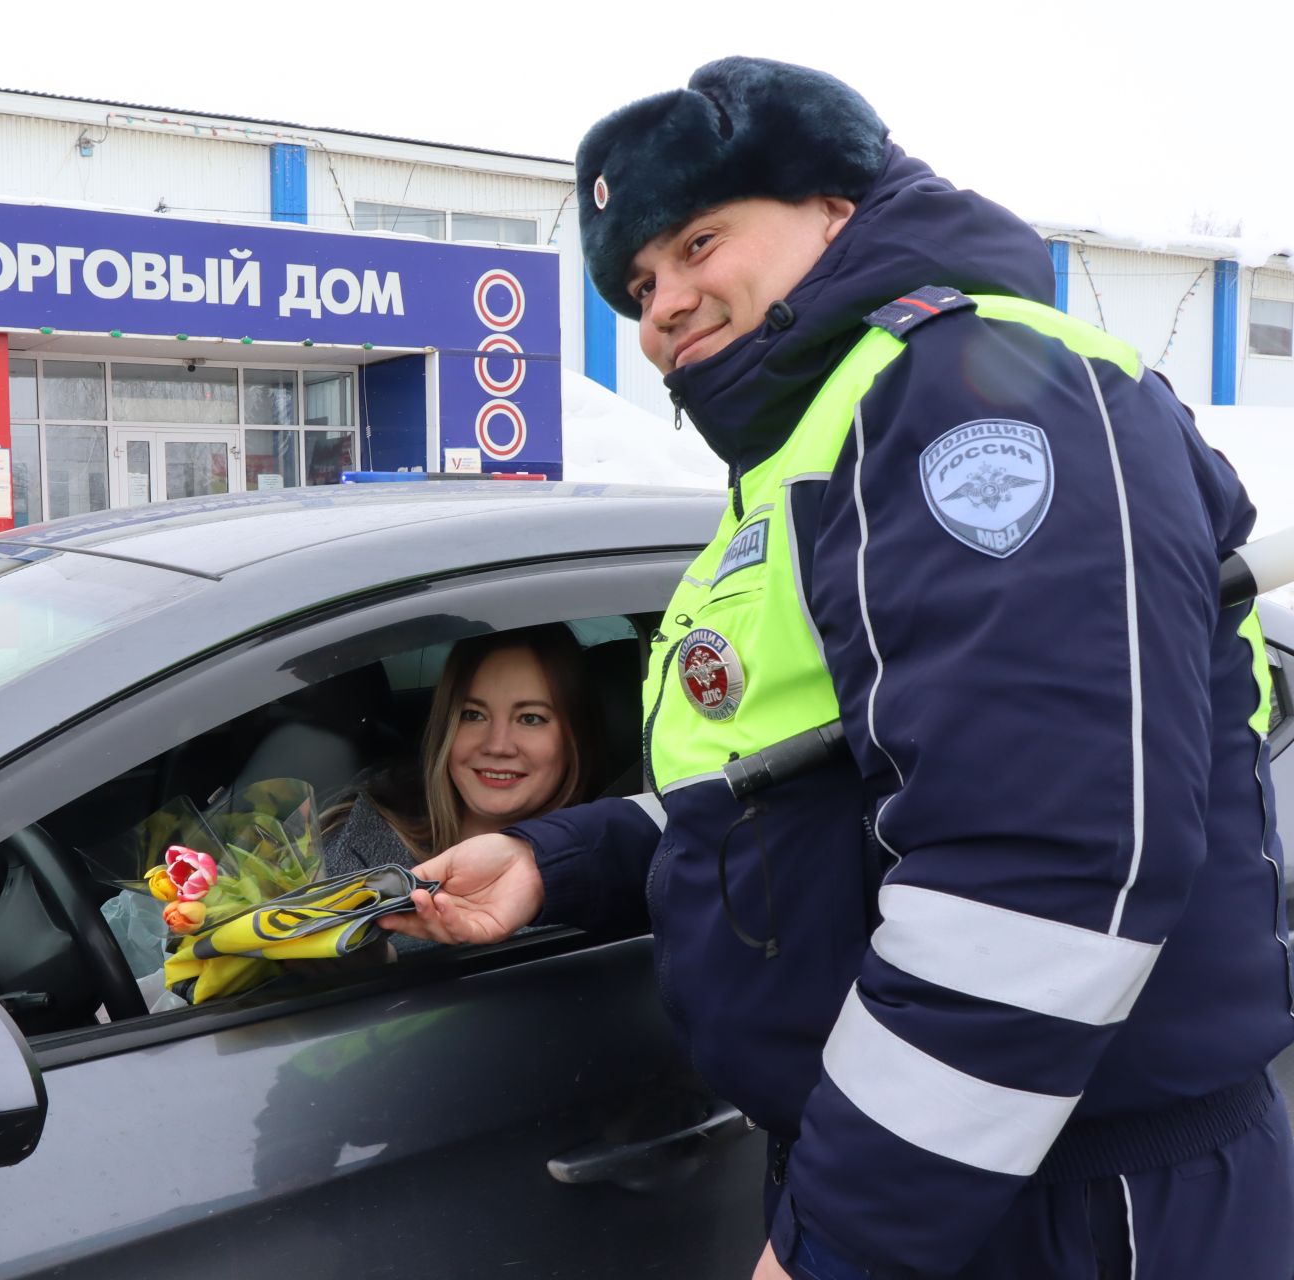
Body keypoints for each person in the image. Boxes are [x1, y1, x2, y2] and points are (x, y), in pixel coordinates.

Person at [383, 56, 1294, 1280]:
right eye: (640, 282)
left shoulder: (980, 396)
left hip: (1065, 1198)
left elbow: (1043, 873)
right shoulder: (815, 441)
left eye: (700, 241)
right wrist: (559, 859)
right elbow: (800, 788)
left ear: (834, 205)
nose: (663, 302)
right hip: (946, 1169)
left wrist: (841, 1239)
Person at [321, 624, 597, 877]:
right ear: (446, 727)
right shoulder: (360, 834)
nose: (497, 746)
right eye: (474, 715)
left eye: (530, 718)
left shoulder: (598, 884)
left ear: (574, 737)